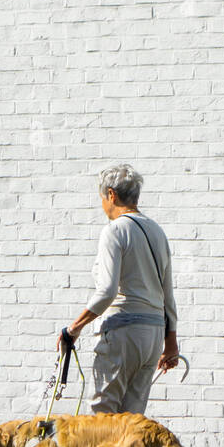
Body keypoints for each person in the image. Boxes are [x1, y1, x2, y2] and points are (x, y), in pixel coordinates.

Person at [61, 164, 179, 416]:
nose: (103, 205)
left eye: (102, 198)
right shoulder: (158, 232)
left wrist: (74, 328)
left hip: (122, 333)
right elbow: (167, 295)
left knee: (101, 416)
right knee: (131, 422)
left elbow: (106, 291)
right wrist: (171, 344)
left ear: (111, 195)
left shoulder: (115, 230)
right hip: (153, 335)